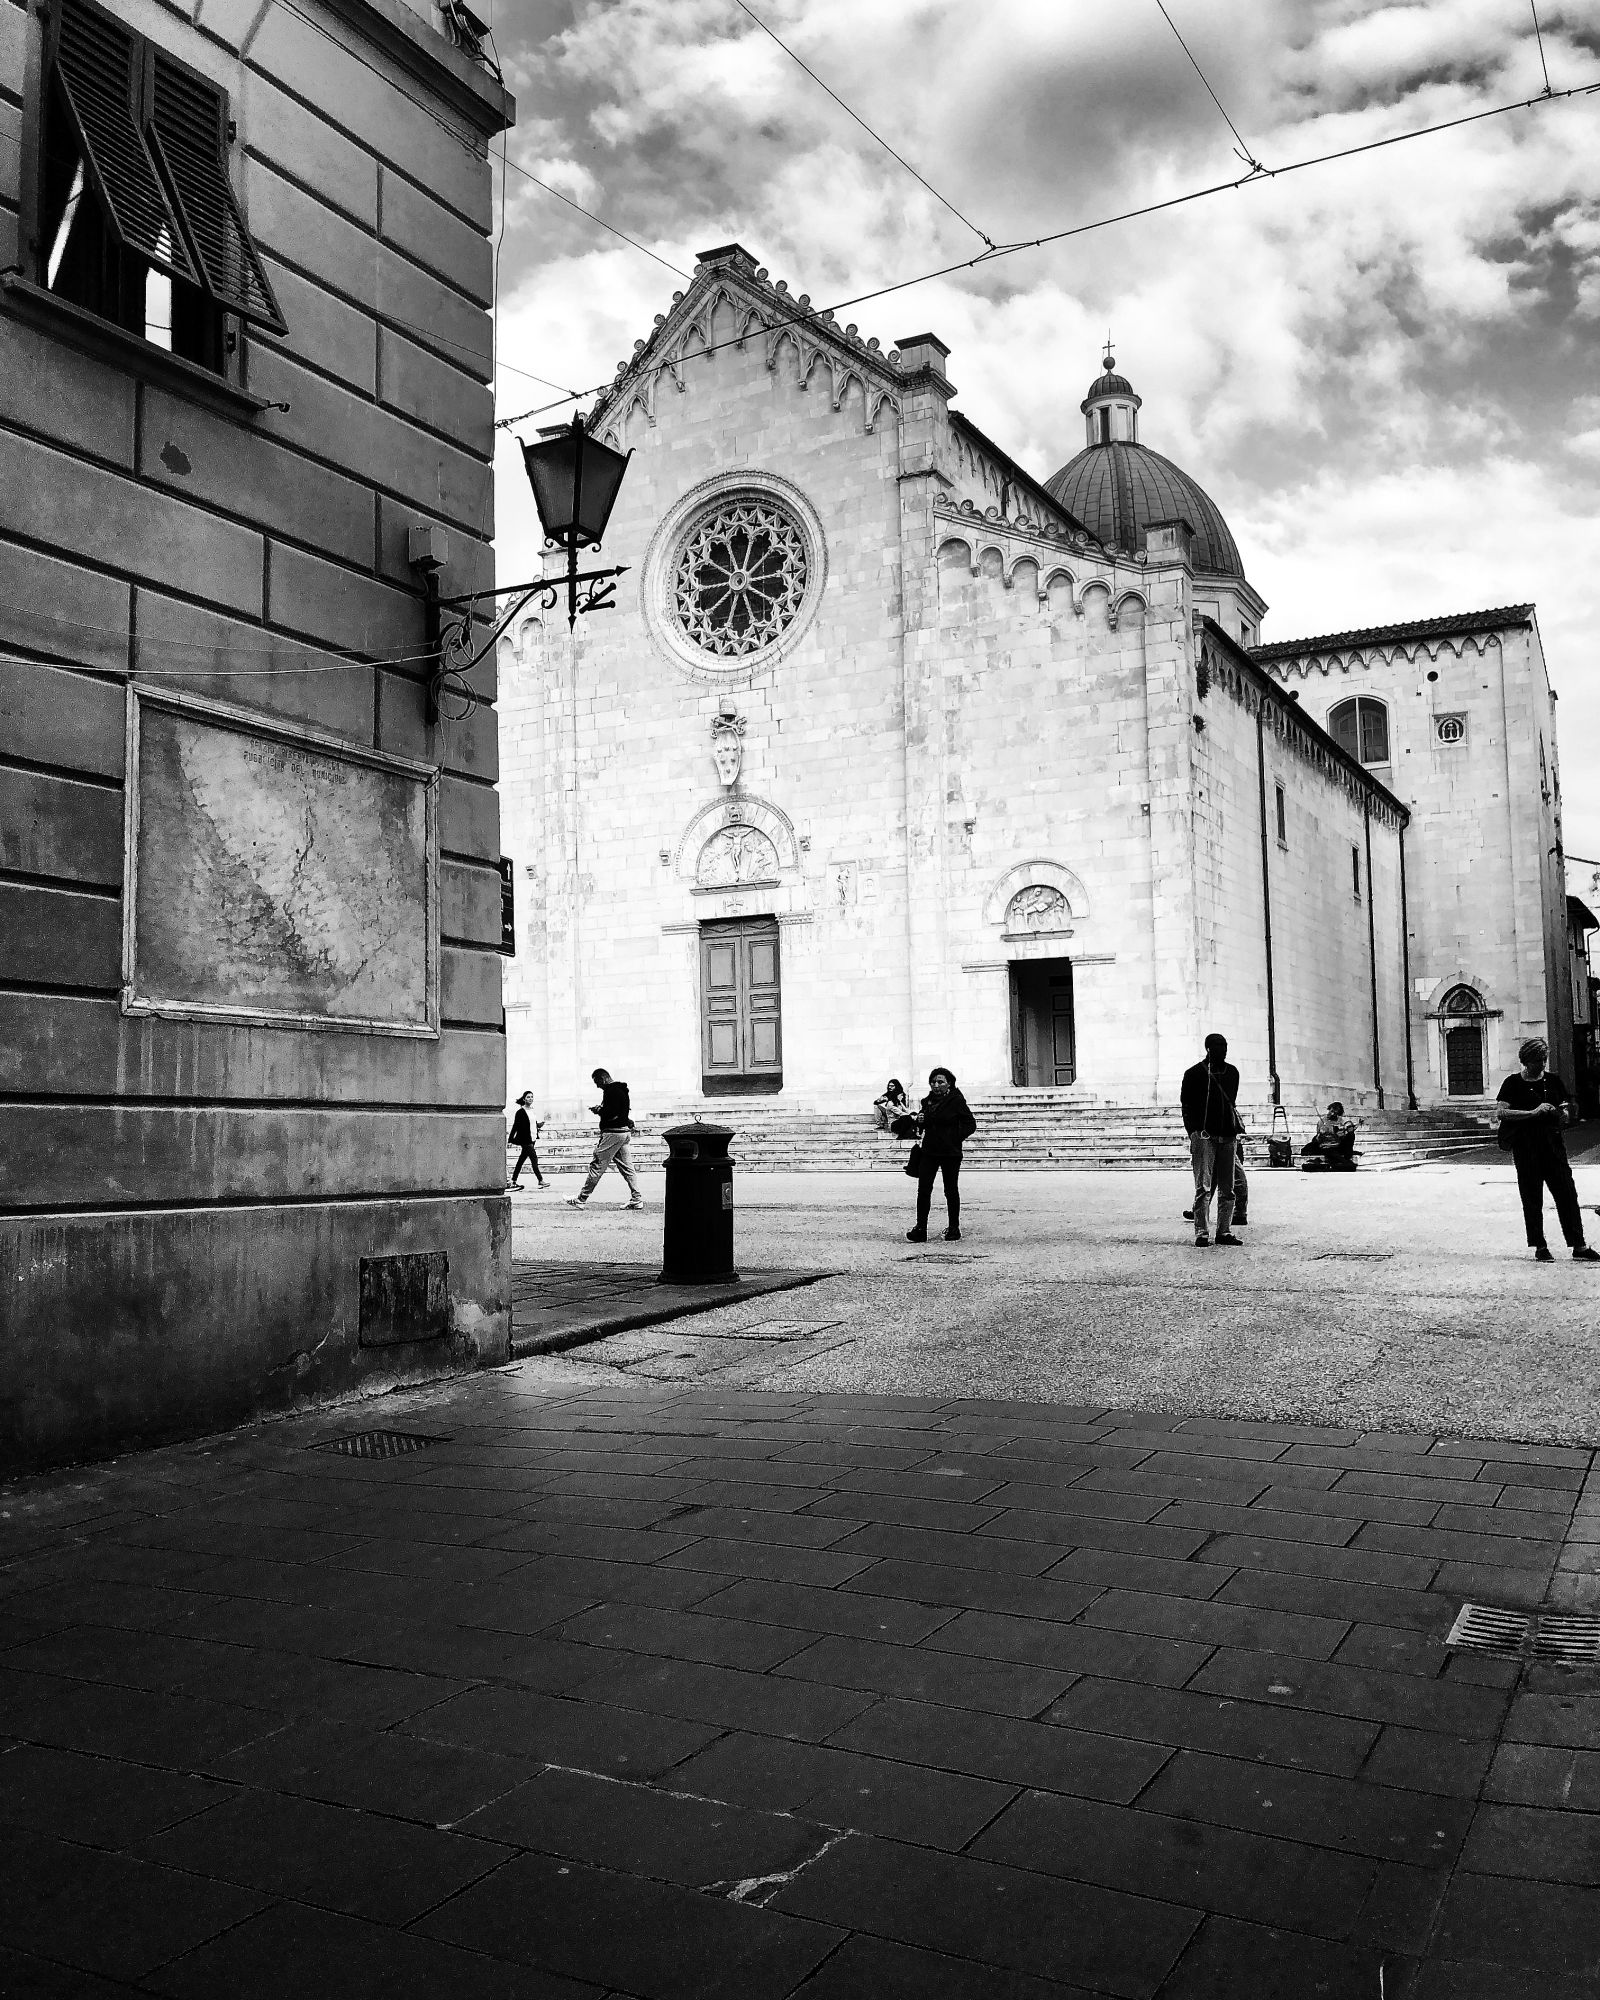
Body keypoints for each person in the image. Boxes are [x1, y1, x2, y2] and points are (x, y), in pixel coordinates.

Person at [1496, 1038, 1598, 1263]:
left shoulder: (1553, 1081)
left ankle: (1578, 1245)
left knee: (1567, 1194)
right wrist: (1532, 1112)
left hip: (1553, 1146)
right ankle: (1540, 1245)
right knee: (1532, 1197)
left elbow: (1565, 1113)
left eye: (1544, 1059)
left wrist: (1563, 1114)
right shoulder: (1512, 1083)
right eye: (1538, 1060)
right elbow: (1501, 1113)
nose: (1542, 1064)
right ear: (1526, 1061)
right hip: (1526, 1147)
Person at [1181, 1033, 1243, 1246]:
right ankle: (1202, 1232)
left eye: (1225, 1046)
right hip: (1204, 1136)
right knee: (1203, 1186)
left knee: (1228, 1188)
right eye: (1218, 1046)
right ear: (1208, 1048)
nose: (1223, 1050)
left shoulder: (1232, 1072)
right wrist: (1193, 1132)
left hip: (1227, 1136)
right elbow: (1186, 1105)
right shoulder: (1194, 1073)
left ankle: (1224, 1231)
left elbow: (1230, 1101)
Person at [907, 1067, 977, 1242]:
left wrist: (954, 1137)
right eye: (933, 1082)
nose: (936, 1085)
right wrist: (920, 1121)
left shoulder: (957, 1101)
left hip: (950, 1152)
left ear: (949, 1083)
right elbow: (924, 1125)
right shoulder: (927, 1102)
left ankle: (954, 1228)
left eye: (940, 1082)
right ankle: (920, 1228)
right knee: (923, 1190)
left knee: (950, 1190)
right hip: (929, 1151)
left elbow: (970, 1124)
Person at [568, 1068, 644, 1211]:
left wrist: (599, 1110)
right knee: (628, 1168)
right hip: (623, 1133)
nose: (597, 1086)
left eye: (597, 1082)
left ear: (603, 1079)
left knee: (597, 1165)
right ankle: (636, 1199)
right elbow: (621, 1112)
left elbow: (611, 1113)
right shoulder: (622, 1090)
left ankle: (581, 1199)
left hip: (612, 1134)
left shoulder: (610, 1091)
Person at [507, 1092, 547, 1190]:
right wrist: (510, 1139)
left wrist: (538, 1125)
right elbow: (515, 1126)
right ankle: (540, 1180)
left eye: (532, 1097)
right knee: (534, 1159)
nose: (530, 1098)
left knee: (521, 1161)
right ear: (524, 1099)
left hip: (532, 1139)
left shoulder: (532, 1111)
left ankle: (513, 1180)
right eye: (528, 1097)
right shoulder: (520, 1112)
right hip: (525, 1140)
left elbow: (532, 1123)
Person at [1301, 1102, 1357, 1171]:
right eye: (1332, 1111)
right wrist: (1321, 1134)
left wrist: (1346, 1131)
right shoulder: (1322, 1121)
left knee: (1351, 1135)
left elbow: (1344, 1135)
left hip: (1337, 1145)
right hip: (1327, 1146)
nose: (1333, 1114)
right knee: (1328, 1151)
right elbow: (1318, 1139)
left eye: (1335, 1113)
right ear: (1329, 1109)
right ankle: (1345, 1164)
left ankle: (1348, 1157)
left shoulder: (1340, 1121)